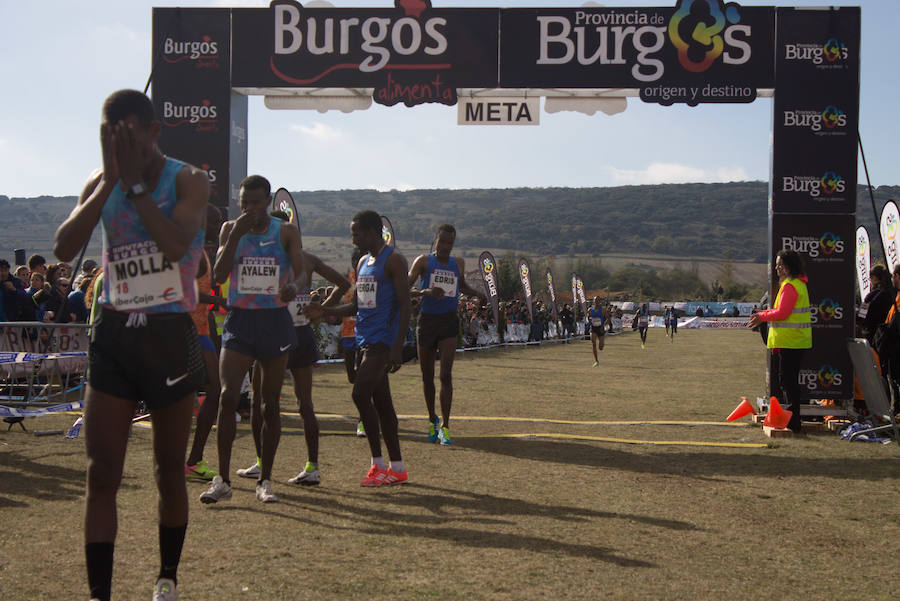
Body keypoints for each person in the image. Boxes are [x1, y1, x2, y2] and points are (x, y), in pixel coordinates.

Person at [53, 89, 209, 601]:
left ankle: (167, 575)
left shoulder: (187, 179)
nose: (122, 147)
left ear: (154, 132)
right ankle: (101, 592)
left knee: (169, 469)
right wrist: (110, 183)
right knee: (102, 473)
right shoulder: (103, 181)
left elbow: (173, 245)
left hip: (168, 334)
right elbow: (63, 247)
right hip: (116, 333)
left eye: (132, 139)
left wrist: (138, 187)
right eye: (111, 138)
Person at [199, 175, 306, 505]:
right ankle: (223, 480)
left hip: (274, 321)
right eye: (245, 203)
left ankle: (265, 479)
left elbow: (302, 273)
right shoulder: (231, 228)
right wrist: (236, 234)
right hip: (241, 321)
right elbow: (218, 275)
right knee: (228, 396)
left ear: (268, 200)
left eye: (257, 203)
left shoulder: (286, 232)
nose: (250, 209)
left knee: (269, 404)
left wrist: (294, 287)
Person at [305, 210, 411, 486]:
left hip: (382, 343)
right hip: (365, 340)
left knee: (359, 393)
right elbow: (355, 306)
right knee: (384, 407)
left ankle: (377, 464)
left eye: (356, 233)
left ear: (371, 232)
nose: (353, 239)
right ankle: (396, 468)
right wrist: (325, 310)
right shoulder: (363, 262)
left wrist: (398, 346)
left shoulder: (395, 261)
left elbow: (405, 305)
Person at [407, 224, 485, 445]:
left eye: (450, 243)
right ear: (435, 240)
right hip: (427, 321)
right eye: (442, 241)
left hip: (449, 321)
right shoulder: (422, 261)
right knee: (426, 376)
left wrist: (478, 293)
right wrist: (425, 292)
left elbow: (462, 287)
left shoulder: (457, 263)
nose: (445, 246)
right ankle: (432, 418)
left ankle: (446, 426)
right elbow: (404, 287)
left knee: (446, 374)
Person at [282, 249, 350, 485]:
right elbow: (342, 283)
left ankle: (308, 466)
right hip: (296, 332)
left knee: (275, 401)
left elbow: (342, 283)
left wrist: (320, 310)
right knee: (295, 403)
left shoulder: (303, 258)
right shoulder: (306, 258)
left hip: (287, 332)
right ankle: (308, 467)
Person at [748, 249, 811, 433]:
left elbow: (783, 313)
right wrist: (762, 315)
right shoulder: (795, 284)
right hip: (792, 341)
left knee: (789, 382)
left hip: (791, 342)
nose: (777, 269)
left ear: (789, 267)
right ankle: (793, 419)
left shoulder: (791, 286)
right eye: (776, 265)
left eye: (780, 265)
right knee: (788, 381)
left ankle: (793, 421)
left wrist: (761, 317)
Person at [589, 296, 606, 366]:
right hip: (593, 328)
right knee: (593, 342)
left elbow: (608, 319)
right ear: (593, 301)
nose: (596, 302)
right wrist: (587, 321)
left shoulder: (603, 310)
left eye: (598, 300)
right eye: (595, 300)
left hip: (600, 328)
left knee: (601, 347)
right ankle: (596, 361)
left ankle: (602, 344)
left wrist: (603, 325)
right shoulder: (590, 309)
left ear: (599, 301)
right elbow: (587, 317)